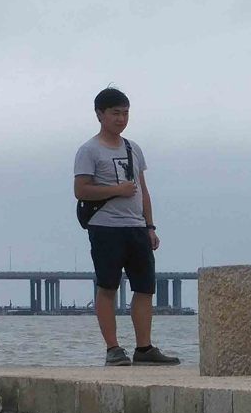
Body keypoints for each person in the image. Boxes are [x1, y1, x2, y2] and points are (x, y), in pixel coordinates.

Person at [73, 86, 179, 366]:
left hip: (136, 227)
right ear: (100, 115)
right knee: (108, 287)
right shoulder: (89, 150)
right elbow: (81, 190)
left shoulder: (133, 148)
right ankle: (113, 349)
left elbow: (143, 189)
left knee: (145, 288)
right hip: (105, 227)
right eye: (115, 113)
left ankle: (144, 348)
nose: (121, 119)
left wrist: (150, 226)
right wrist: (116, 190)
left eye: (125, 113)